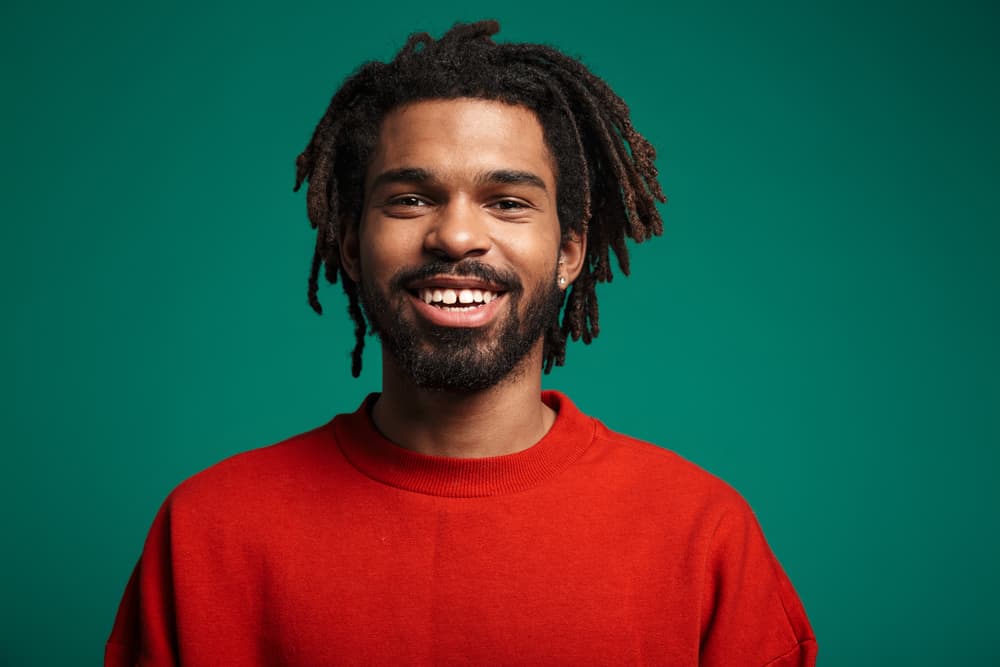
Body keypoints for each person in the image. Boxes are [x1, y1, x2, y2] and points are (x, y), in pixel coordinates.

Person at [106, 20, 816, 666]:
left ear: (568, 252)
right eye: (411, 198)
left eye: (507, 202)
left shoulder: (703, 536)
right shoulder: (206, 536)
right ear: (350, 245)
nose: (455, 236)